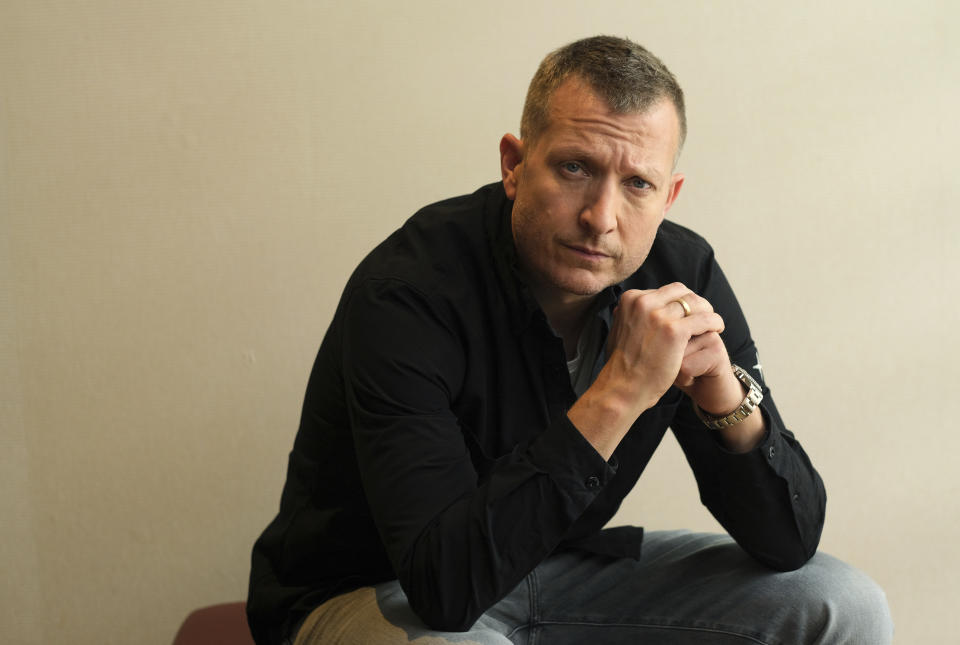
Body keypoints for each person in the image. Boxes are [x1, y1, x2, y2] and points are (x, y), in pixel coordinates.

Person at [248, 36, 893, 644]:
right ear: (514, 164)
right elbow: (442, 588)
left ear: (668, 196)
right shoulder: (409, 292)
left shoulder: (682, 274)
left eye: (637, 184)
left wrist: (724, 397)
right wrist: (619, 393)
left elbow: (788, 542)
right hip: (375, 591)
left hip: (560, 570)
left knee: (841, 602)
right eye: (575, 168)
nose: (601, 218)